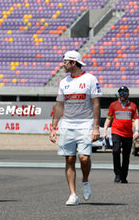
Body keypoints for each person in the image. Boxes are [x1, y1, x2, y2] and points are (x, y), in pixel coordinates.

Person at [49, 50, 102, 206]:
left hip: (86, 124)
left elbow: (96, 104)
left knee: (84, 157)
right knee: (70, 159)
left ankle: (85, 181)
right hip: (67, 125)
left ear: (73, 63)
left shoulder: (90, 79)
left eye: (65, 61)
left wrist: (96, 127)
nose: (63, 64)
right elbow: (59, 105)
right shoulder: (64, 82)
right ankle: (73, 194)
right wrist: (53, 128)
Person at [102, 86, 139, 183]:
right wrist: (105, 130)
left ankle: (124, 176)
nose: (122, 95)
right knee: (116, 151)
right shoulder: (113, 105)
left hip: (128, 134)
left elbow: (136, 119)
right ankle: (117, 173)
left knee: (126, 156)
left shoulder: (133, 106)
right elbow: (109, 118)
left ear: (128, 94)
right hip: (116, 132)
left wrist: (137, 130)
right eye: (120, 93)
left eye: (124, 93)